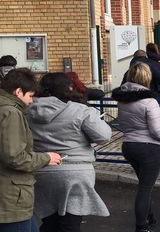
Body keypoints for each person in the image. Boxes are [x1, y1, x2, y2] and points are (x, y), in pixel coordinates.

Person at [28, 72, 112, 232]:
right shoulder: (80, 110)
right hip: (76, 173)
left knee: (49, 222)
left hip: (43, 169)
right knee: (70, 223)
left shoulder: (29, 111)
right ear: (69, 88)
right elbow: (103, 136)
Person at [112, 62, 160, 232]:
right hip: (149, 148)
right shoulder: (149, 101)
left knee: (145, 185)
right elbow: (158, 132)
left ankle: (150, 216)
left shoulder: (122, 99)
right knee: (145, 188)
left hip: (129, 145)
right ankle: (141, 226)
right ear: (147, 78)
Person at [0, 68, 62, 231]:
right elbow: (14, 157)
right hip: (12, 198)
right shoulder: (11, 112)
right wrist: (46, 158)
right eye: (30, 96)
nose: (31, 101)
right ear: (18, 91)